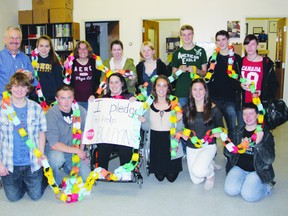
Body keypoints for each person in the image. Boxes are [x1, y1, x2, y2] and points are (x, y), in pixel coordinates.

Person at [0, 73, 47, 202]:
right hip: (10, 164)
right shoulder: (2, 109)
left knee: (36, 196)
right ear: (10, 88)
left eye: (23, 86)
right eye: (15, 86)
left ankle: (41, 178)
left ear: (28, 89)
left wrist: (41, 154)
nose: (19, 90)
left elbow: (41, 132)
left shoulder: (37, 108)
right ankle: (23, 182)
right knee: (13, 197)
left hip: (32, 162)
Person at [224, 102, 275, 202]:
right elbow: (227, 153)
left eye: (251, 113)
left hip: (257, 170)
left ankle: (267, 187)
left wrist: (259, 143)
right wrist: (231, 144)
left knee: (248, 196)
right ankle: (247, 181)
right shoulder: (237, 131)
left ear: (257, 115)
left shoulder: (265, 134)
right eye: (245, 114)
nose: (247, 117)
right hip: (239, 167)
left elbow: (269, 159)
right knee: (230, 190)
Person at [181, 78, 224, 190]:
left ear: (205, 91)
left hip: (208, 145)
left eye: (201, 89)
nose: (198, 92)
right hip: (192, 145)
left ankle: (210, 174)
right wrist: (182, 133)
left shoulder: (214, 109)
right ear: (191, 92)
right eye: (195, 89)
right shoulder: (186, 109)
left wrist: (219, 131)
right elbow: (184, 127)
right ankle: (210, 164)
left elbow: (221, 127)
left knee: (199, 172)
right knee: (196, 180)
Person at [139, 75, 183, 182]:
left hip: (171, 142)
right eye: (159, 86)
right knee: (160, 177)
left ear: (168, 88)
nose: (161, 89)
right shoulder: (148, 105)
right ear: (154, 88)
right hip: (155, 142)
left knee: (171, 178)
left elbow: (180, 130)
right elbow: (145, 128)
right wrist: (144, 121)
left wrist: (179, 120)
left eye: (164, 86)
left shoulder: (175, 105)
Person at [45, 85, 90, 186]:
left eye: (69, 97)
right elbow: (54, 144)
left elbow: (83, 132)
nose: (66, 102)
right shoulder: (51, 114)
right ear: (57, 99)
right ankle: (56, 178)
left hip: (74, 149)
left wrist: (81, 152)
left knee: (87, 179)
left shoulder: (81, 111)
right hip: (55, 149)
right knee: (57, 159)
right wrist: (77, 151)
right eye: (63, 98)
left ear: (73, 98)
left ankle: (66, 166)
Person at [95, 73, 134, 180]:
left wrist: (135, 103)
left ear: (122, 83)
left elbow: (138, 114)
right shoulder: (103, 99)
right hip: (108, 134)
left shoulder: (130, 97)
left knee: (125, 141)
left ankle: (126, 171)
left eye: (116, 82)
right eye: (111, 82)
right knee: (103, 142)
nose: (114, 85)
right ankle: (102, 170)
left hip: (123, 134)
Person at [207, 30, 243, 143]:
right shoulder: (213, 58)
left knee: (231, 128)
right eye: (218, 40)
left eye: (223, 39)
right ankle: (211, 151)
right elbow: (209, 78)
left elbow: (240, 78)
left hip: (230, 99)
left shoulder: (237, 59)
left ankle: (231, 155)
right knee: (213, 128)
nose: (221, 42)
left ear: (228, 40)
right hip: (214, 98)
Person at [170, 24, 207, 108]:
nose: (187, 37)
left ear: (193, 34)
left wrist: (197, 70)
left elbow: (205, 73)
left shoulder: (201, 51)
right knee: (180, 119)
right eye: (184, 35)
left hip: (197, 93)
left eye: (189, 34)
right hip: (181, 93)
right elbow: (173, 76)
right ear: (181, 36)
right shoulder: (176, 53)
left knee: (197, 119)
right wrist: (179, 70)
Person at [0, 26, 37, 101]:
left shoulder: (25, 58)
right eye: (11, 38)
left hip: (23, 103)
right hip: (4, 104)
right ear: (5, 40)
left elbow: (34, 83)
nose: (14, 41)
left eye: (17, 38)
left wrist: (31, 78)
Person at [64, 40, 102, 110]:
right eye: (80, 49)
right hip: (75, 100)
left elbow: (98, 80)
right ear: (77, 51)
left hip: (91, 99)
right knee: (77, 120)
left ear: (88, 50)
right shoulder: (72, 62)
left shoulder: (94, 62)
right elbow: (66, 80)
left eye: (85, 48)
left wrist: (95, 95)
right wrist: (65, 67)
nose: (82, 51)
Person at [240, 34, 278, 106]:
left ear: (257, 45)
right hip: (244, 102)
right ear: (244, 46)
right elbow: (235, 79)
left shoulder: (266, 63)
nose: (249, 47)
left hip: (260, 102)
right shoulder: (240, 61)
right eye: (247, 44)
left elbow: (273, 84)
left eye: (253, 44)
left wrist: (262, 91)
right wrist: (240, 84)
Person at [30, 35, 63, 106]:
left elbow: (59, 80)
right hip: (36, 97)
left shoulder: (55, 61)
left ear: (50, 47)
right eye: (41, 46)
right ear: (37, 46)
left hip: (52, 97)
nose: (44, 49)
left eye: (47, 46)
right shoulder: (32, 60)